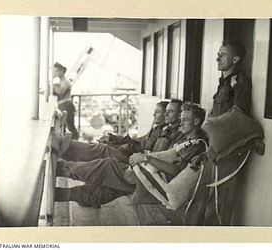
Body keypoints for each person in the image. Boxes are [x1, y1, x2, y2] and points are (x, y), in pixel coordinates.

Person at [53, 102, 205, 209]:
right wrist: (116, 139)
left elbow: (177, 172)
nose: (181, 123)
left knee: (107, 163)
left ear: (196, 121)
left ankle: (63, 166)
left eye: (184, 119)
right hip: (147, 170)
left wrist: (146, 158)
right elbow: (143, 142)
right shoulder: (179, 136)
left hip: (155, 180)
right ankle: (61, 194)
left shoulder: (193, 145)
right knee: (109, 187)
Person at [191, 40, 252, 226]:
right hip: (213, 147)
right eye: (218, 53)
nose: (217, 57)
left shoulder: (240, 82)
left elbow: (237, 117)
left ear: (235, 59)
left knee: (218, 203)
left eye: (222, 54)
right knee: (202, 196)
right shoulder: (223, 83)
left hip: (227, 150)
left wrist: (212, 125)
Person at [58, 101, 169, 164]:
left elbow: (150, 151)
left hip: (136, 158)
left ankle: (67, 148)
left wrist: (123, 143)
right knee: (104, 144)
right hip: (133, 151)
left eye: (158, 112)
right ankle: (67, 149)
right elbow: (141, 140)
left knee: (103, 149)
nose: (154, 114)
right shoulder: (157, 127)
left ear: (166, 114)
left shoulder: (165, 133)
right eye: (155, 111)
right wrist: (114, 138)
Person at [53, 62, 79, 140]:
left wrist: (52, 83)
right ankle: (68, 142)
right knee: (63, 126)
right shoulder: (58, 83)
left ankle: (75, 141)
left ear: (62, 71)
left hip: (67, 105)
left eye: (56, 71)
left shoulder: (66, 82)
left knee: (70, 125)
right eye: (54, 71)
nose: (55, 73)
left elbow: (60, 92)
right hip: (61, 106)